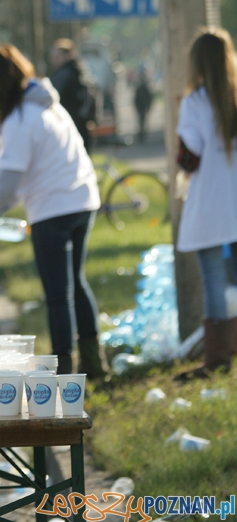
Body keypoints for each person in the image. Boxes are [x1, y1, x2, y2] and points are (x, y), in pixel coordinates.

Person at [0, 45, 105, 377]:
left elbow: (7, 186)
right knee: (76, 283)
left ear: (2, 81)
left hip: (53, 209)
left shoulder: (20, 117)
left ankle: (66, 375)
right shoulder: (48, 105)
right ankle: (95, 365)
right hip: (82, 200)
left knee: (58, 294)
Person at [174, 29, 237, 381]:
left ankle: (217, 358)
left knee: (214, 279)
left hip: (211, 205)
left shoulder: (195, 103)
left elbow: (189, 159)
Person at [50, 38, 93, 152]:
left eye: (57, 57)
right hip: (82, 126)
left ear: (68, 55)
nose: (54, 61)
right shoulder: (80, 72)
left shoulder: (64, 75)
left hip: (68, 127)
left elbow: (52, 100)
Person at [134, 71, 154, 144]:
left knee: (141, 122)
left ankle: (142, 135)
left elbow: (136, 100)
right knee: (142, 122)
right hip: (142, 108)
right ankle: (141, 135)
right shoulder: (143, 89)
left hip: (142, 108)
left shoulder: (140, 89)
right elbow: (148, 99)